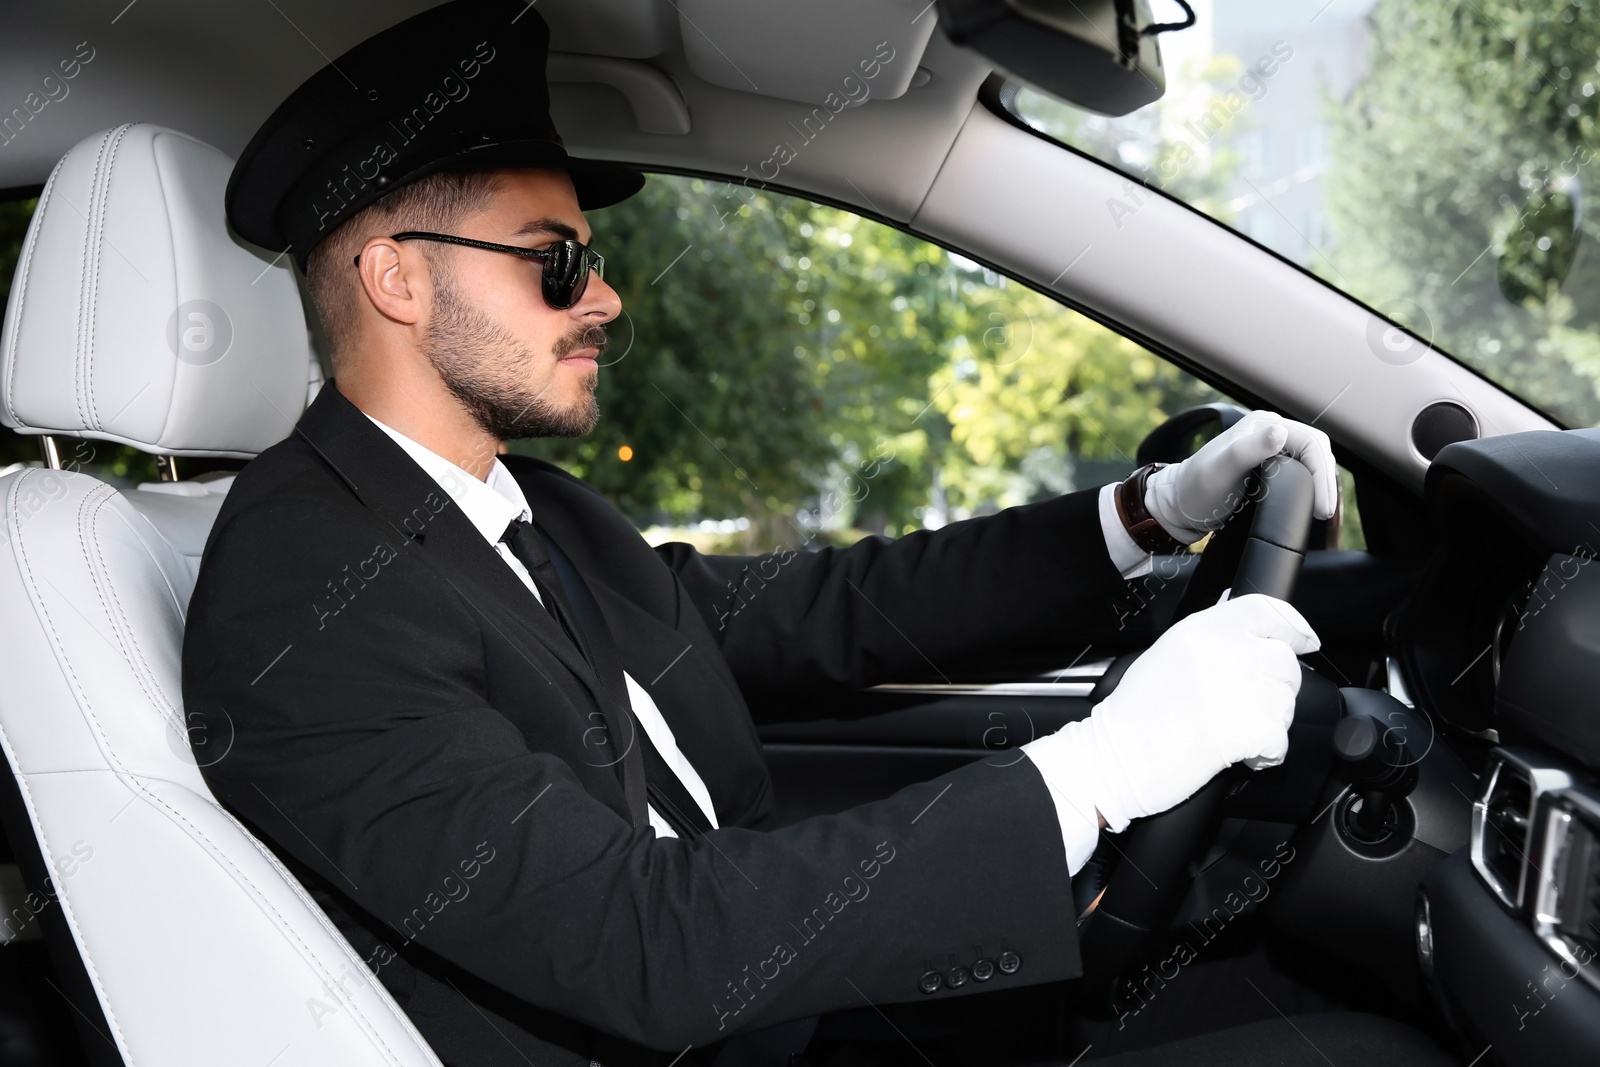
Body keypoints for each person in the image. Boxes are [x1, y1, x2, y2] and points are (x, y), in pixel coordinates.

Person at [186, 3, 1362, 1066]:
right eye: (558, 260)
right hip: (707, 1024)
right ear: (394, 278)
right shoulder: (302, 587)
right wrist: (1097, 773)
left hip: (792, 1001)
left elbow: (827, 610)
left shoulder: (528, 507)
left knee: (1303, 1006)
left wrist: (1149, 511)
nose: (604, 298)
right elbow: (637, 942)